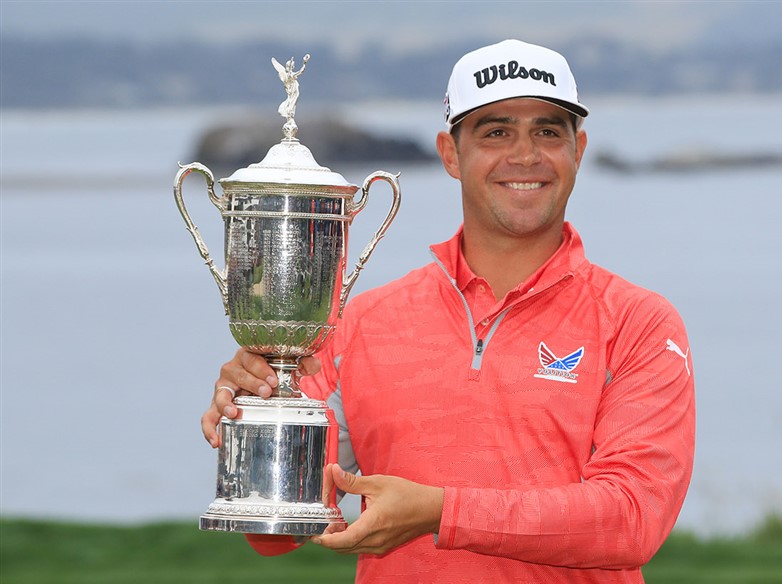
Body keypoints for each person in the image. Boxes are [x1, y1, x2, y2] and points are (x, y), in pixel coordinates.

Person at [202, 39, 696, 583]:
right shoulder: (359, 324)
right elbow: (277, 536)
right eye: (496, 132)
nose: (525, 155)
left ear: (577, 149)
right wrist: (256, 419)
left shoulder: (638, 323)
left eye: (548, 131)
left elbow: (632, 518)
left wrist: (441, 512)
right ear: (450, 154)